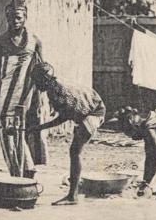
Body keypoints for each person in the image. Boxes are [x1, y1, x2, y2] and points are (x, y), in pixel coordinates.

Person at [28, 62, 106, 206]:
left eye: (37, 81)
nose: (36, 84)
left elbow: (63, 118)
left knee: (75, 152)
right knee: (74, 151)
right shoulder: (54, 88)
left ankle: (72, 196)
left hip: (94, 113)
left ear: (45, 79)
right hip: (91, 109)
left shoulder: (58, 92)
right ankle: (73, 190)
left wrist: (38, 128)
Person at [0, 0, 48, 178]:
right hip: (5, 95)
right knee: (7, 132)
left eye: (18, 17)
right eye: (10, 17)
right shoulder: (0, 41)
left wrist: (40, 98)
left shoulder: (35, 41)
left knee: (26, 130)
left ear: (25, 18)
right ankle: (17, 174)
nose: (14, 21)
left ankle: (27, 172)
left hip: (27, 93)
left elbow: (41, 70)